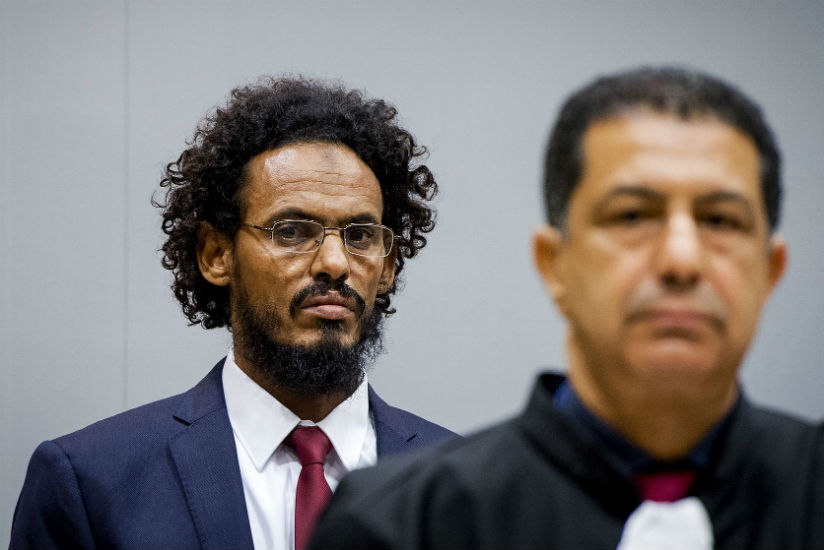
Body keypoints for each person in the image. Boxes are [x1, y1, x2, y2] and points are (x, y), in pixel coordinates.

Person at [309, 66, 824, 550]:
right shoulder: (403, 525)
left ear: (771, 269)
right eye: (632, 215)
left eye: (720, 220)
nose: (681, 259)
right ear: (554, 264)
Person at [10, 77, 455, 550]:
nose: (334, 263)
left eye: (361, 235)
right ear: (216, 254)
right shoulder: (91, 482)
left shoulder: (466, 485)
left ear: (387, 267)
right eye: (292, 231)